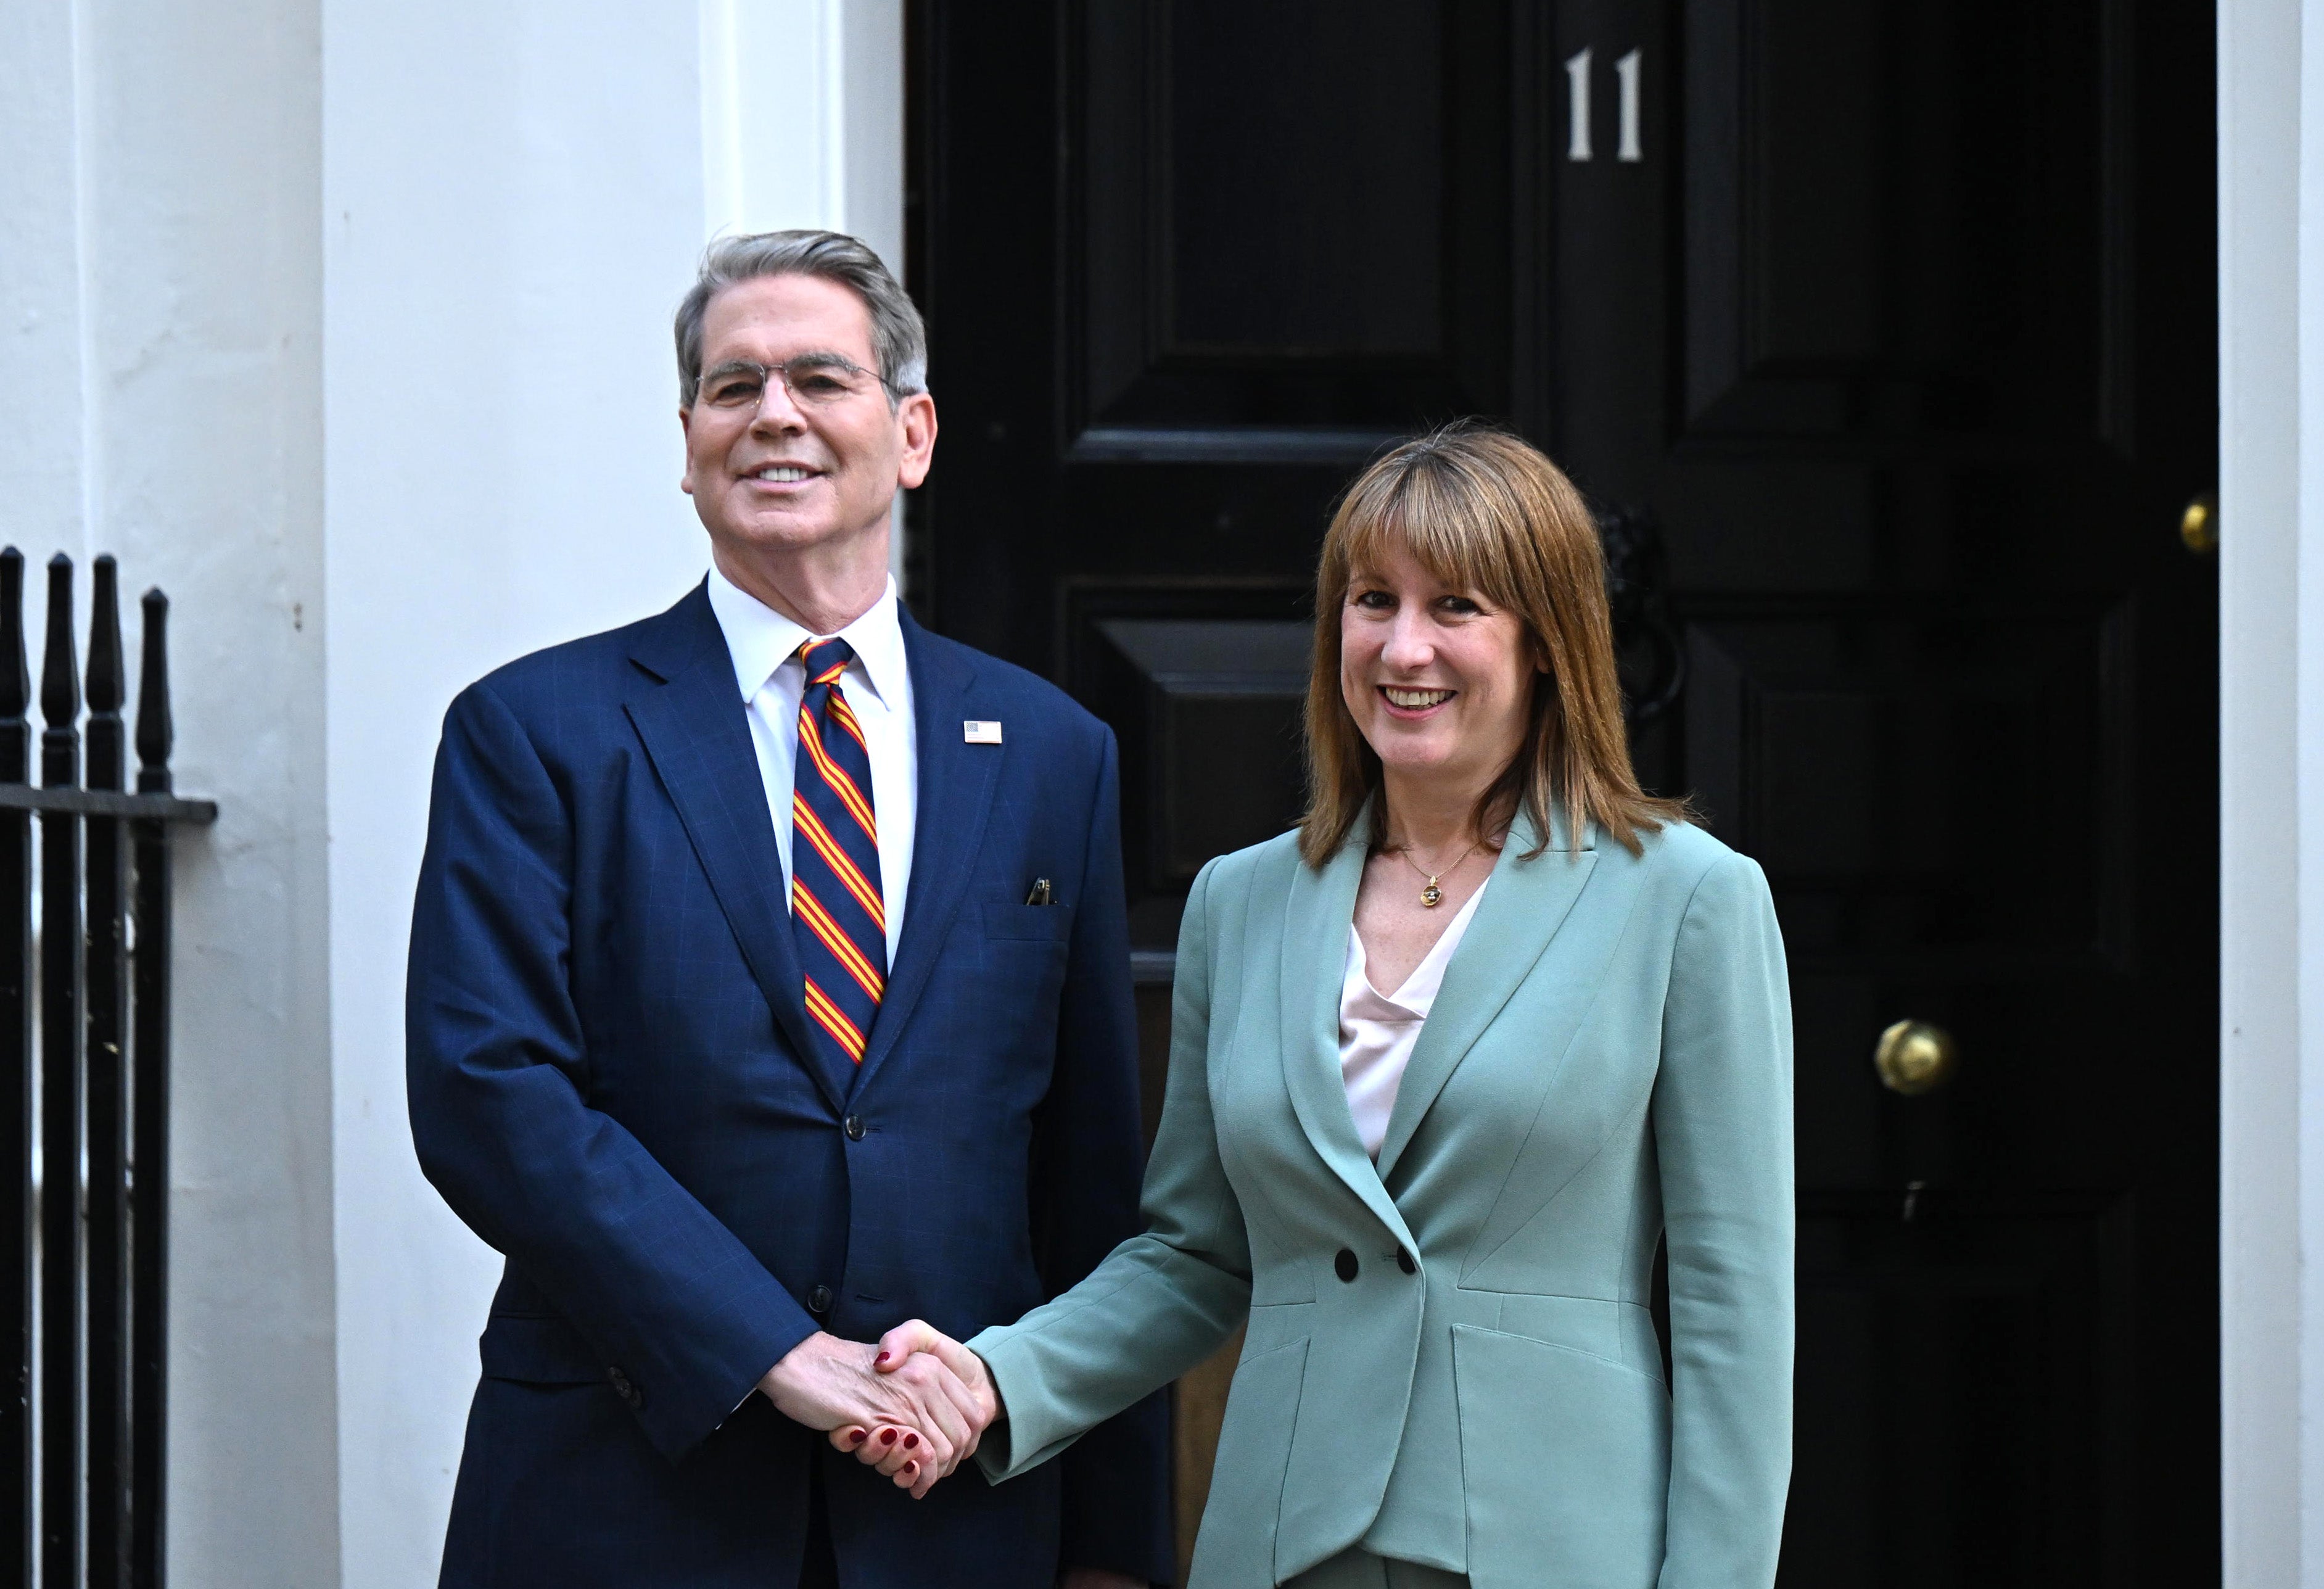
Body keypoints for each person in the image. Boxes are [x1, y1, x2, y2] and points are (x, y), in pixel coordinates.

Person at [838, 424, 1795, 1588]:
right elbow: (1195, 1256)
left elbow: (1731, 1315)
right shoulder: (1241, 904)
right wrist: (997, 1379)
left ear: (1546, 641)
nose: (1404, 647)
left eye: (1457, 607)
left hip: (1561, 1540)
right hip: (1282, 1541)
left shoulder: (1688, 899)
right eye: (1371, 600)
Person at [406, 229, 1166, 1589]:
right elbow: (488, 1092)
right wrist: (776, 1351)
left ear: (913, 433)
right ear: (688, 438)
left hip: (958, 1519)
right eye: (731, 385)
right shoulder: (535, 732)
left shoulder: (1054, 752)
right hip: (625, 1503)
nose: (774, 415)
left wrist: (1113, 1547)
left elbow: (1093, 1174)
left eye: (821, 377)